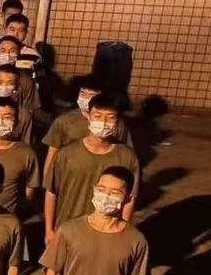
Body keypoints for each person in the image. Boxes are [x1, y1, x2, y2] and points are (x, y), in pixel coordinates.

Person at [45, 94, 141, 245]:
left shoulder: (128, 157)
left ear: (118, 121)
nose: (103, 122)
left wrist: (121, 231)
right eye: (98, 116)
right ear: (88, 117)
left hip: (106, 234)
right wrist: (49, 230)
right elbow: (51, 193)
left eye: (110, 118)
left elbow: (130, 199)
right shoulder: (66, 154)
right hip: (66, 230)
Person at [42, 75, 133, 180]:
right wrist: (47, 180)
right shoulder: (63, 121)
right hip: (71, 175)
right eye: (83, 94)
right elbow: (52, 154)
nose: (86, 98)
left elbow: (125, 154)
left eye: (91, 95)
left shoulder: (116, 123)